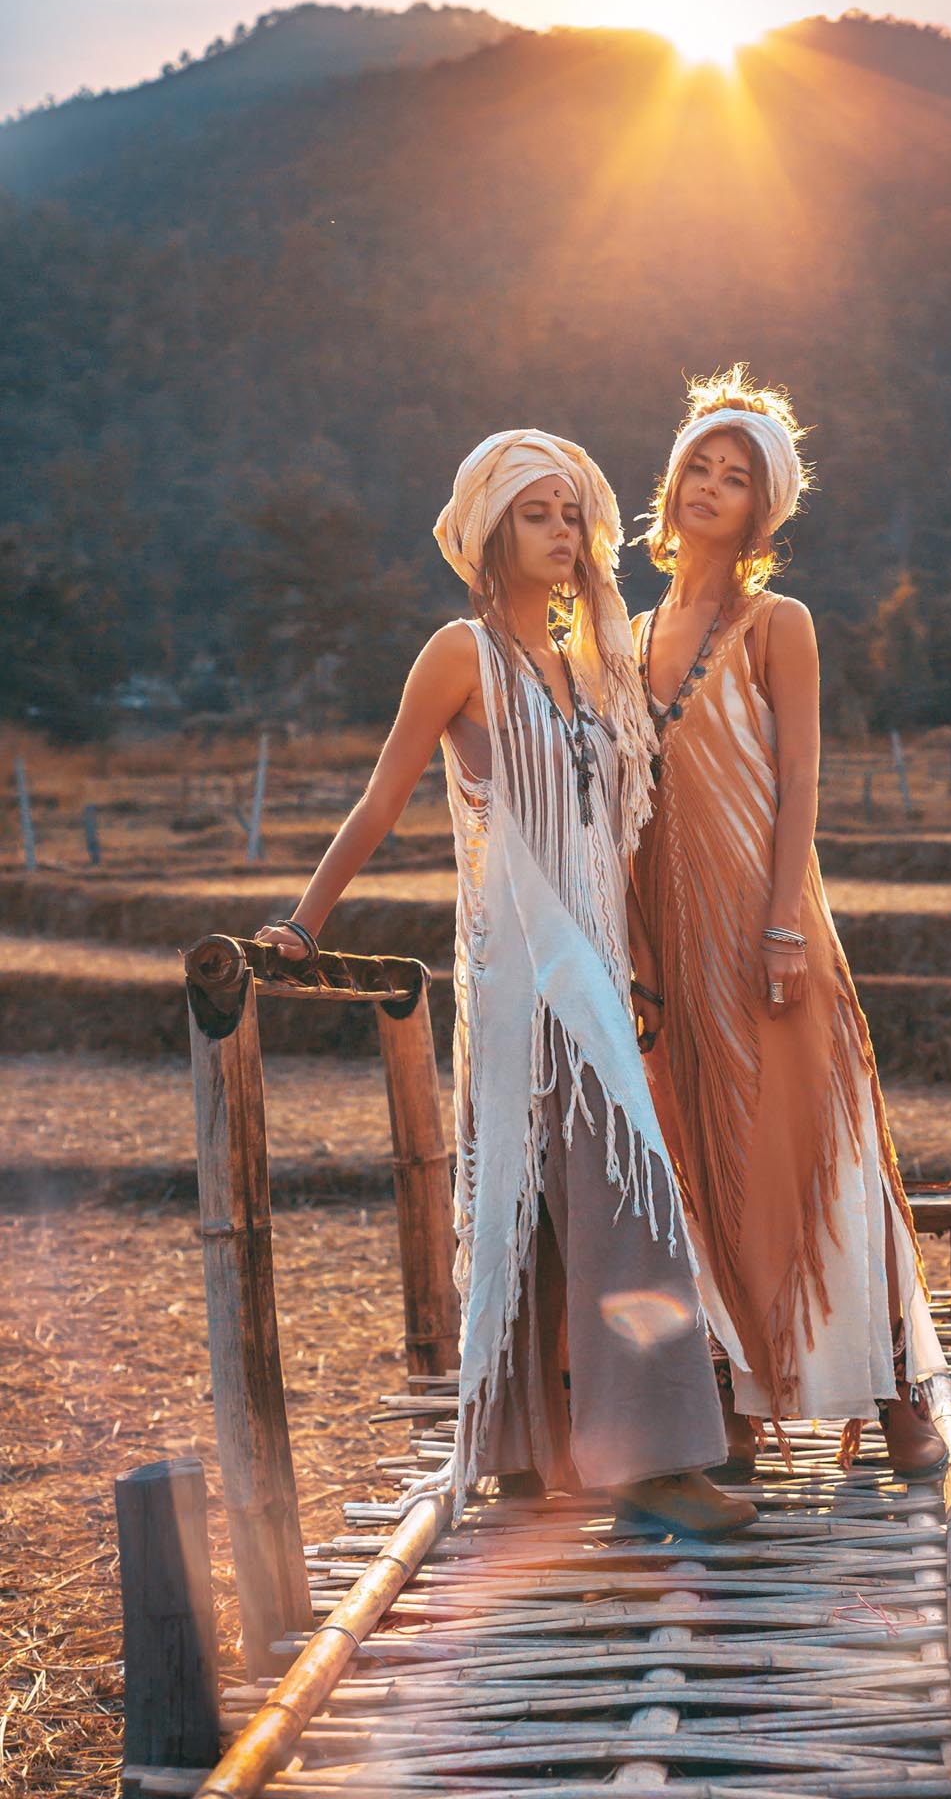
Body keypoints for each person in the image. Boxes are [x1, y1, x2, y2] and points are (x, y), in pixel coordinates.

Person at [254, 429, 756, 1535]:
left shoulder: (587, 667)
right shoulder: (458, 653)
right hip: (522, 967)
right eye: (538, 513)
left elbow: (606, 834)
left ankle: (536, 1451)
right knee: (624, 1194)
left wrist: (643, 966)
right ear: (490, 532)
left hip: (591, 964)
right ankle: (650, 1462)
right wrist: (302, 921)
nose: (564, 531)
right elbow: (381, 801)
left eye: (573, 512)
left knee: (562, 1200)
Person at [631, 368, 949, 1478]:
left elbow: (802, 781)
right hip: (667, 933)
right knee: (697, 1158)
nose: (712, 487)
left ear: (767, 508)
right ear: (669, 487)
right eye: (699, 468)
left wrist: (780, 927)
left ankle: (900, 1382)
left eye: (737, 476)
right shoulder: (627, 636)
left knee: (820, 1142)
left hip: (769, 926)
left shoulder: (780, 622)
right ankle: (730, 1395)